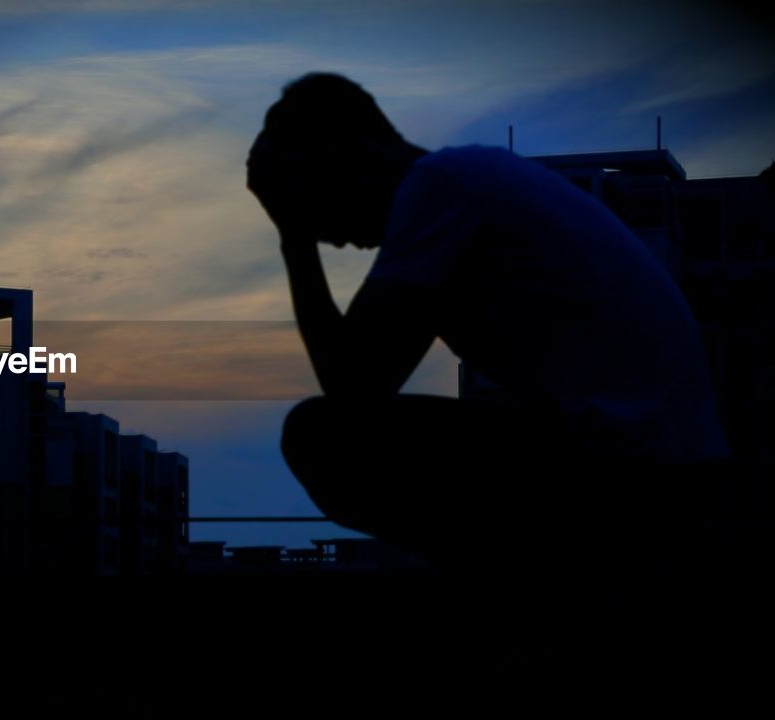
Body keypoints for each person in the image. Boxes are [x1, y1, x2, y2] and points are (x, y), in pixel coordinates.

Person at [247, 72, 730, 575]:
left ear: (341, 157)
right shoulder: (468, 181)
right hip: (666, 468)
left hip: (633, 472)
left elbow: (352, 386)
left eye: (320, 209)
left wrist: (293, 235)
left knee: (322, 436)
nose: (339, 240)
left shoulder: (439, 186)